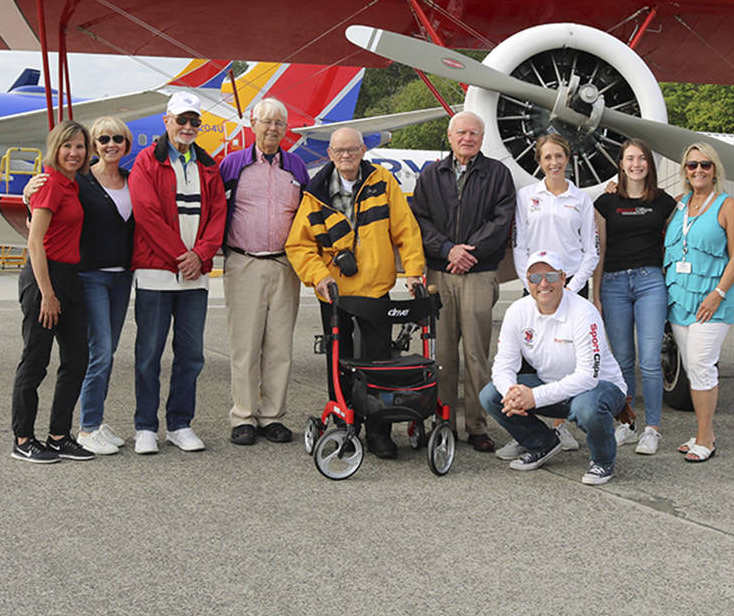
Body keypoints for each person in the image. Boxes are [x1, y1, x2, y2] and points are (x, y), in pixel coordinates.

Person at [286, 126, 424, 459]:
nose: (346, 156)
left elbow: (406, 229)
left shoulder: (382, 182)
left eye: (352, 150)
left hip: (375, 290)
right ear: (330, 155)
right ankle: (343, 425)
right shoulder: (315, 193)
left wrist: (414, 272)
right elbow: (298, 244)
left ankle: (379, 430)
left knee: (378, 363)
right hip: (334, 294)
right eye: (339, 151)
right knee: (339, 362)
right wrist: (318, 276)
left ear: (363, 150)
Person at [24, 116, 137, 456]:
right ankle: (87, 428)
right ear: (95, 147)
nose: (110, 144)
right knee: (97, 352)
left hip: (122, 276)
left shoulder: (133, 181)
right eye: (102, 139)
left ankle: (93, 422)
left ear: (127, 143)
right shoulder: (81, 182)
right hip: (89, 275)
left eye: (118, 138)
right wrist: (28, 195)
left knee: (105, 350)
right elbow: (42, 217)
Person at [128, 92, 227, 455]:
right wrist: (179, 256)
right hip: (156, 274)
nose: (187, 127)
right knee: (148, 353)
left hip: (194, 277)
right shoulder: (145, 162)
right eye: (181, 120)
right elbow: (146, 213)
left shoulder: (209, 167)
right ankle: (145, 426)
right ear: (166, 121)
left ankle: (180, 423)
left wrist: (199, 255)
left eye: (194, 122)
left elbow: (218, 216)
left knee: (191, 354)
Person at [411, 111, 515, 453]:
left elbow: (502, 220)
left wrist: (469, 252)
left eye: (473, 133)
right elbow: (420, 220)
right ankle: (442, 420)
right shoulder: (430, 175)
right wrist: (446, 249)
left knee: (476, 354)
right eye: (461, 132)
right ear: (450, 136)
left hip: (479, 273)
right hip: (440, 274)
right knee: (442, 355)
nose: (467, 138)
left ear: (482, 138)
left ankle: (477, 425)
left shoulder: (497, 174)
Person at [479, 250, 627, 485]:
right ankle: (543, 444)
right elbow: (503, 365)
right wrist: (512, 393)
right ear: (527, 282)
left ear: (563, 278)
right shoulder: (517, 311)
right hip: (553, 388)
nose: (543, 284)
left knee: (587, 406)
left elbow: (588, 377)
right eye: (535, 278)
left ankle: (602, 461)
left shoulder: (584, 312)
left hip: (600, 388)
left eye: (550, 275)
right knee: (491, 395)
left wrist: (534, 397)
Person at [218, 98, 308, 446]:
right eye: (266, 121)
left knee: (279, 345)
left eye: (279, 123)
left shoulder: (297, 168)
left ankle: (272, 415)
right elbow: (216, 208)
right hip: (244, 261)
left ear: (286, 129)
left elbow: (308, 215)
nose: (272, 128)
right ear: (252, 124)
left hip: (285, 265)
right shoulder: (232, 165)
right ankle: (244, 415)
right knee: (244, 344)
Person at [504, 133, 599, 458]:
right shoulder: (526, 195)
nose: (554, 163)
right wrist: (532, 284)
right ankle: (529, 432)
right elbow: (519, 245)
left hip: (570, 285)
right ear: (539, 161)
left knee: (567, 358)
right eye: (547, 157)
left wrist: (570, 288)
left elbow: (591, 251)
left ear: (567, 159)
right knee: (528, 360)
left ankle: (562, 426)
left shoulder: (581, 199)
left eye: (559, 156)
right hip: (536, 286)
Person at [10, 120, 95, 463]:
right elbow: (34, 241)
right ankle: (23, 438)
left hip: (70, 278)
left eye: (80, 147)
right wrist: (47, 293)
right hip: (45, 279)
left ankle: (59, 435)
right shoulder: (49, 184)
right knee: (36, 361)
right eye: (67, 146)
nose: (74, 153)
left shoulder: (73, 185)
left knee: (76, 360)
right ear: (55, 148)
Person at [662, 142, 734, 463]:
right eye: (692, 165)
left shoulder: (727, 206)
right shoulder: (680, 205)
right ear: (685, 171)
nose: (698, 170)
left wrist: (719, 293)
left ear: (715, 171)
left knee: (701, 366)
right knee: (693, 367)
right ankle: (704, 433)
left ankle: (705, 439)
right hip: (679, 300)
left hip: (711, 302)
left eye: (705, 165)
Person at [594, 139, 677, 455]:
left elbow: (683, 228)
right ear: (621, 163)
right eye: (630, 158)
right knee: (622, 360)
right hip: (613, 284)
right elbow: (599, 250)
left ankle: (652, 429)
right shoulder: (606, 202)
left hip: (650, 282)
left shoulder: (664, 202)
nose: (636, 164)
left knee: (651, 361)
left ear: (650, 165)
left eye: (642, 158)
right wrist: (597, 293)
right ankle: (626, 424)